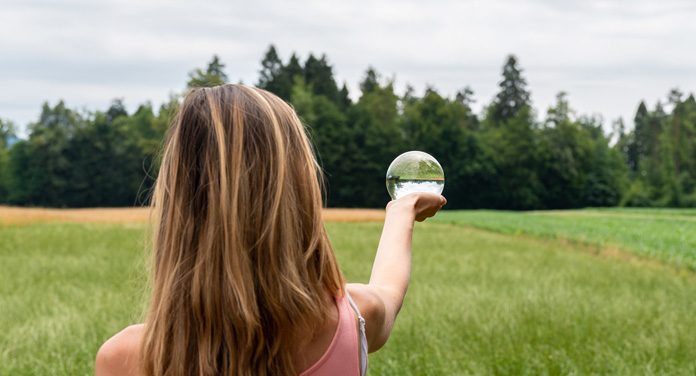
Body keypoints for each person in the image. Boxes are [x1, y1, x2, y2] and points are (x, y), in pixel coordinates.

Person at [95, 84, 446, 376]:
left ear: (178, 206)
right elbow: (388, 289)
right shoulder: (350, 322)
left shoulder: (125, 359)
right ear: (300, 197)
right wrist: (401, 212)